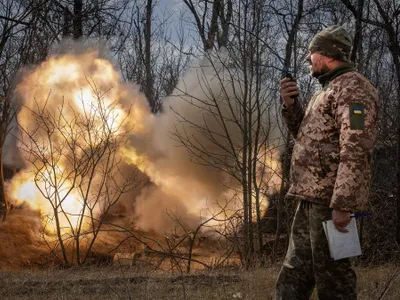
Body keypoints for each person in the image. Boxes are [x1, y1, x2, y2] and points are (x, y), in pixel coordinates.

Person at [275, 25, 379, 299]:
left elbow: (356, 147)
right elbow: (306, 137)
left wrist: (343, 204)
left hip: (331, 203)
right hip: (309, 199)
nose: (309, 59)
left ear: (328, 54)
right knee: (294, 273)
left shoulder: (354, 90)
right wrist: (290, 104)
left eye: (312, 53)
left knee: (334, 280)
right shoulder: (326, 90)